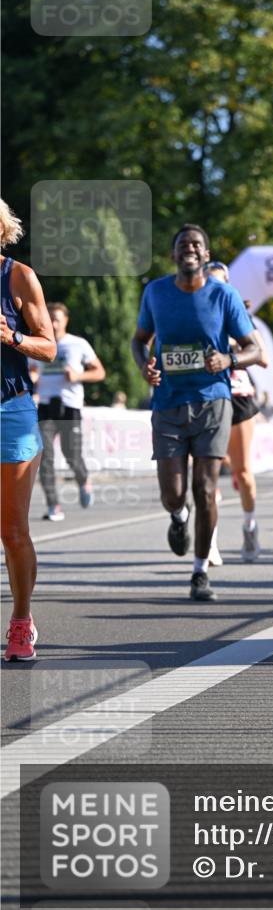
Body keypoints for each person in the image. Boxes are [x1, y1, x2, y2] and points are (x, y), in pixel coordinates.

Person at [131, 224, 261, 601]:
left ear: (205, 255)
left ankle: (200, 570)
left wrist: (229, 358)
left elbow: (254, 348)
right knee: (174, 494)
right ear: (174, 255)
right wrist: (144, 365)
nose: (190, 248)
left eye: (197, 244)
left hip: (213, 401)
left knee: (205, 489)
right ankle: (177, 516)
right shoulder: (155, 292)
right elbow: (140, 341)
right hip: (168, 403)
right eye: (183, 244)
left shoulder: (225, 295)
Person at [0, 199, 56, 661]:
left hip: (9, 411)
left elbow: (49, 347)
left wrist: (11, 337)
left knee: (12, 529)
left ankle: (21, 620)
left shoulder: (18, 276)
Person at [204, 260, 267, 561]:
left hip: (239, 395)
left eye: (220, 282)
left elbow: (263, 358)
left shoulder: (239, 314)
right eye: (210, 282)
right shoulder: (197, 313)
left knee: (242, 472)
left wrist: (230, 350)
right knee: (208, 473)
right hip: (207, 395)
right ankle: (210, 540)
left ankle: (250, 525)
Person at [30, 302, 106, 521]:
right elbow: (33, 370)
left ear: (65, 320)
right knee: (44, 457)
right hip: (45, 406)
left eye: (57, 318)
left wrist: (78, 376)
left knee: (71, 454)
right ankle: (54, 505)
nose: (53, 323)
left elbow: (99, 372)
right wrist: (33, 377)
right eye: (50, 318)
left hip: (69, 406)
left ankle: (84, 481)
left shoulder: (78, 344)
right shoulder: (39, 343)